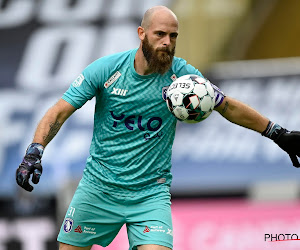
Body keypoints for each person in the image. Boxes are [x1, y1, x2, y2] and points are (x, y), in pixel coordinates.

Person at [16, 5, 300, 250]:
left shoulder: (185, 79)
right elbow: (59, 111)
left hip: (150, 194)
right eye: (160, 34)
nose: (167, 42)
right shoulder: (106, 70)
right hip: (98, 188)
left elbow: (227, 106)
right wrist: (34, 151)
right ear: (142, 34)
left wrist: (276, 132)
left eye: (173, 36)